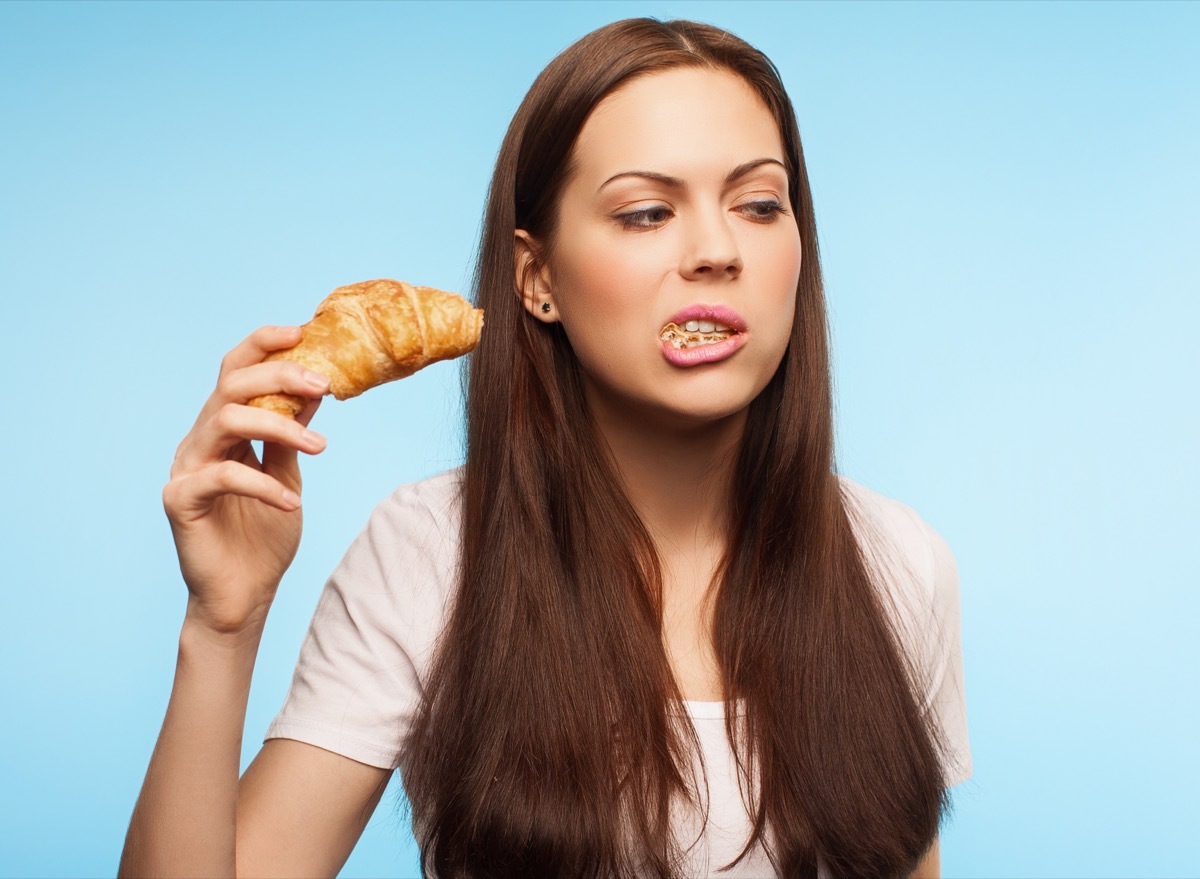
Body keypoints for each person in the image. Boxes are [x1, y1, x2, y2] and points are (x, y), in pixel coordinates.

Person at [119, 17, 970, 879]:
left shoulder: (897, 561)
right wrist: (223, 623)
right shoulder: (432, 552)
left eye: (758, 204)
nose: (717, 251)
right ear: (537, 279)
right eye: (646, 212)